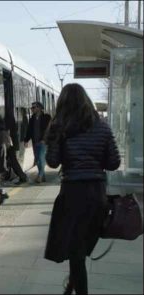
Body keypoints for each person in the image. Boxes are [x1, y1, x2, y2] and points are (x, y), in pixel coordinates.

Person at [44, 83, 120, 294]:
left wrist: (53, 138)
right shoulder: (102, 126)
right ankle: (72, 284)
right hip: (97, 194)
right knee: (78, 249)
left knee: (75, 251)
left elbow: (52, 161)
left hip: (72, 194)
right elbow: (113, 163)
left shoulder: (60, 126)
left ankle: (77, 288)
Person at [24, 101, 51, 183]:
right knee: (38, 160)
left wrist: (45, 139)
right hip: (35, 142)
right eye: (32, 108)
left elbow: (49, 129)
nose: (32, 109)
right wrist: (26, 140)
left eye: (34, 107)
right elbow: (29, 130)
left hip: (43, 142)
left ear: (39, 108)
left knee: (41, 158)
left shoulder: (47, 117)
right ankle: (42, 176)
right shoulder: (32, 118)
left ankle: (40, 176)